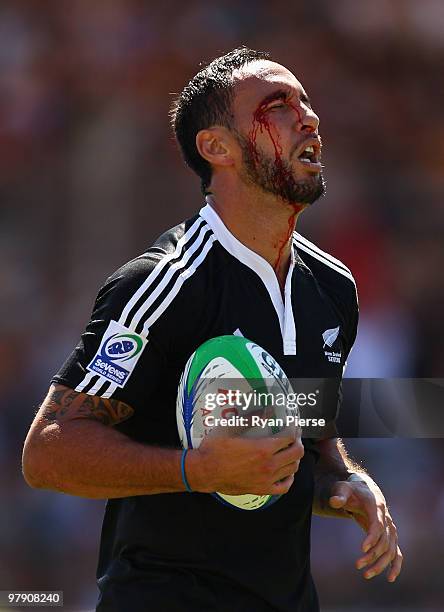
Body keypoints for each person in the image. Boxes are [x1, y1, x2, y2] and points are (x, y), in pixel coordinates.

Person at [22, 47, 402, 612]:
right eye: (276, 106)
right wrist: (195, 470)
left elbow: (311, 440)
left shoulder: (332, 288)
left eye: (306, 101)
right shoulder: (164, 284)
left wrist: (347, 486)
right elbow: (48, 453)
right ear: (216, 147)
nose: (309, 117)